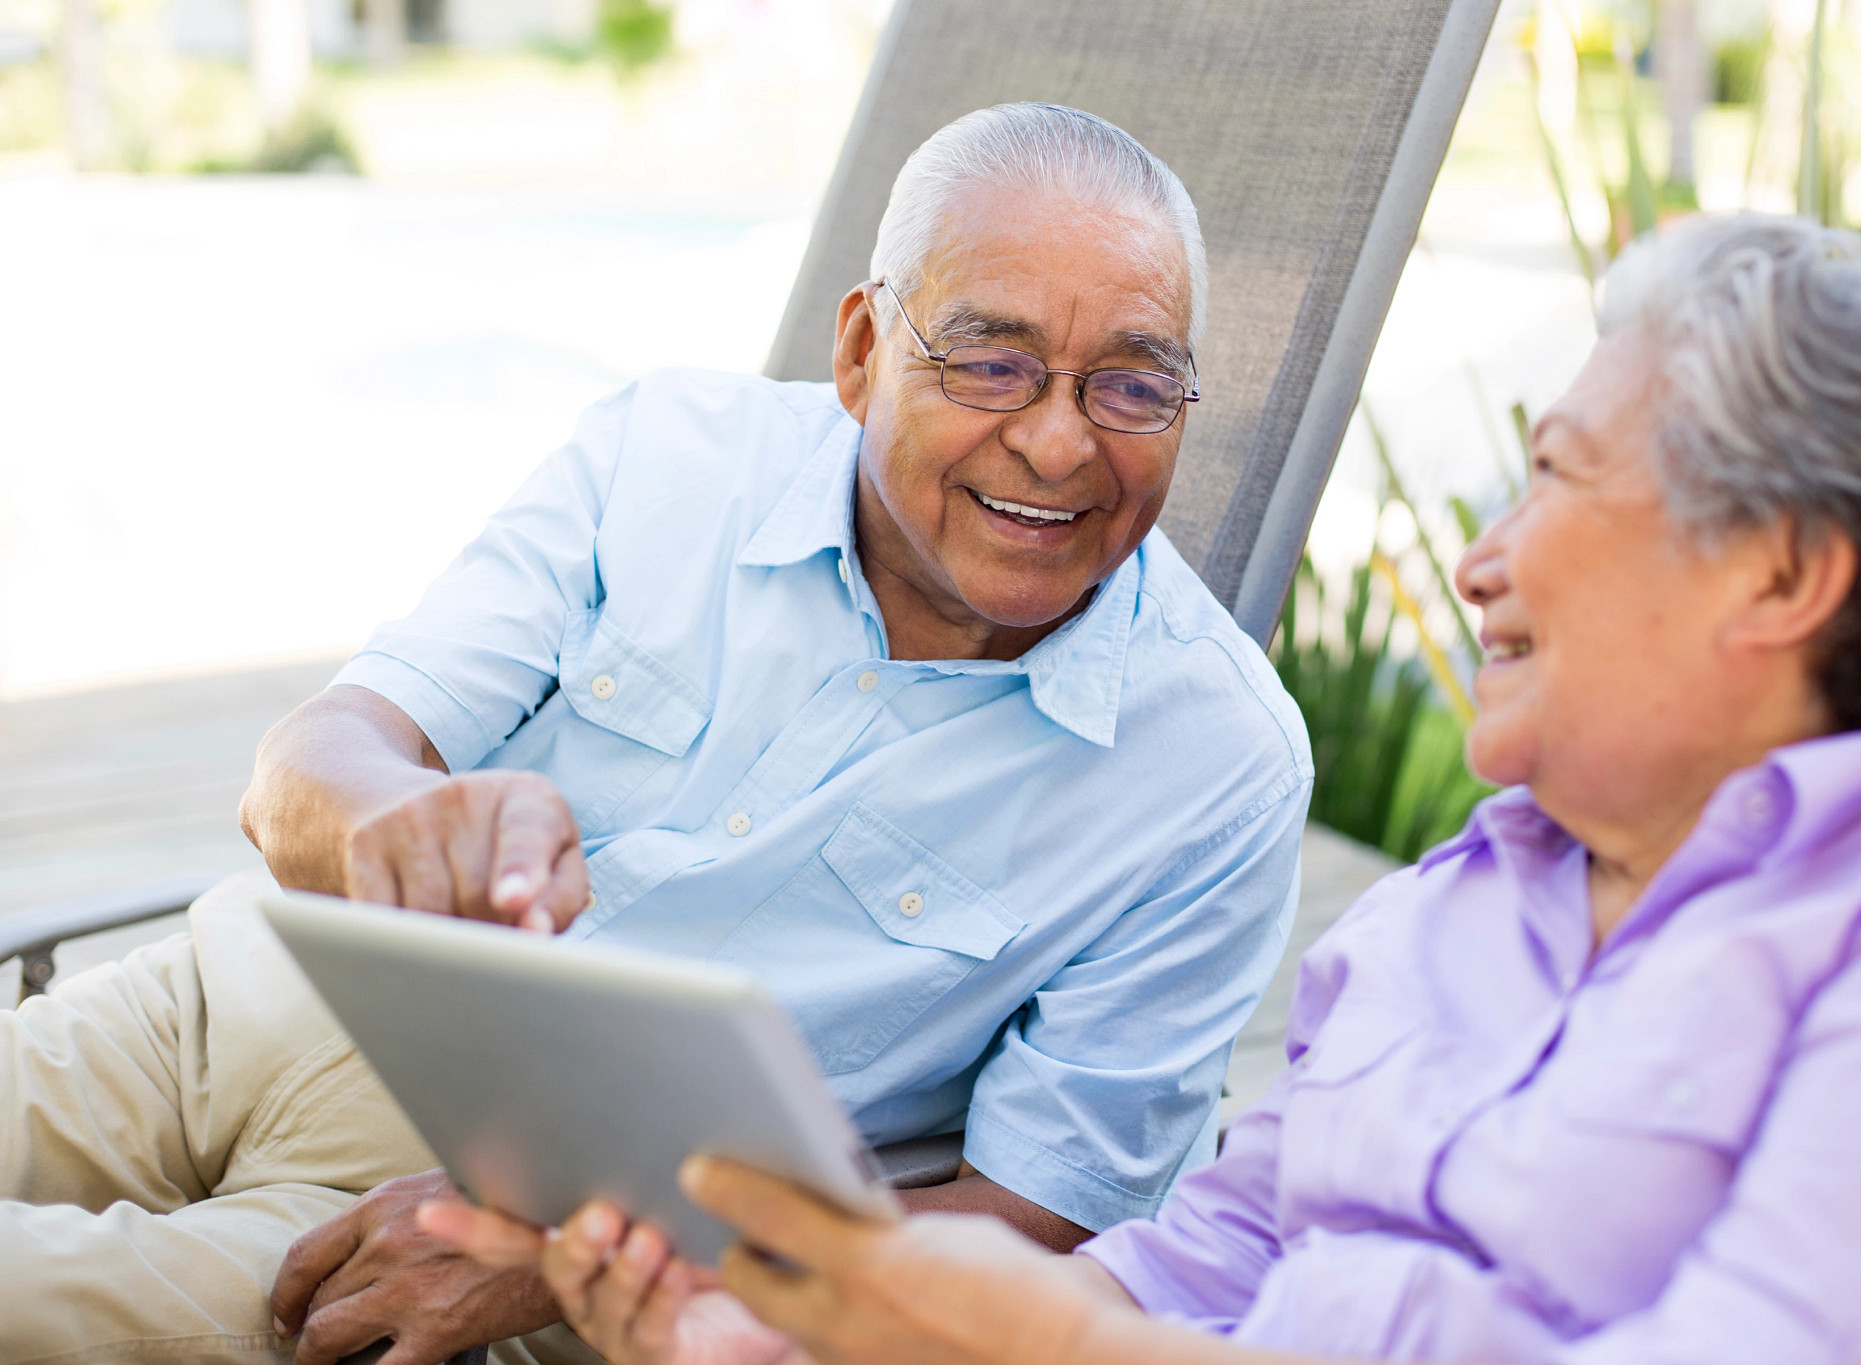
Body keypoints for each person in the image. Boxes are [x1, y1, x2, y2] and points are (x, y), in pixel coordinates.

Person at [435, 212, 1861, 1364]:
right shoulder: (1450, 910)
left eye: (1553, 472)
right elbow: (1209, 1253)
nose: (1480, 563)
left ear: (1779, 572)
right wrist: (795, 1312)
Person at [0, 104, 1312, 1365]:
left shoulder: (1214, 770)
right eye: (989, 362)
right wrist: (396, 822)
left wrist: (587, 1252)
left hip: (528, 1228)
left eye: (1133, 385)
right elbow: (308, 768)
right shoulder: (670, 451)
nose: (1057, 441)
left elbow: (1031, 1231)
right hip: (240, 1001)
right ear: (860, 351)